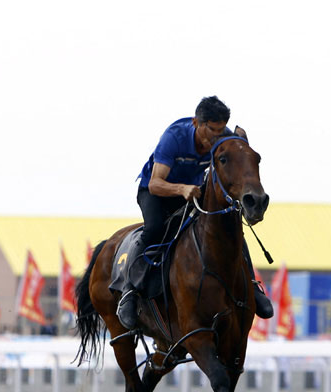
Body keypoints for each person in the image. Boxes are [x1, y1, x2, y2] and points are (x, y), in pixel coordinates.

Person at [116, 96, 273, 330]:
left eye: (221, 129)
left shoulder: (224, 136)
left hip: (193, 193)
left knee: (230, 228)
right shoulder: (174, 138)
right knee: (155, 229)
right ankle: (129, 292)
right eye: (212, 130)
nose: (217, 136)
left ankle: (252, 285)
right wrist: (181, 189)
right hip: (156, 193)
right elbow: (155, 184)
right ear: (196, 123)